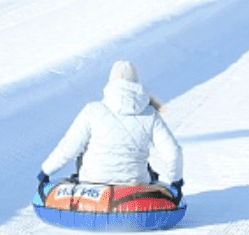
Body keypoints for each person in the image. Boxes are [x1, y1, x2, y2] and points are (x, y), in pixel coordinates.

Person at [42, 60, 183, 196]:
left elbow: (69, 147)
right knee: (146, 167)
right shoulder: (150, 114)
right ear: (136, 82)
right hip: (134, 184)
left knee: (83, 152)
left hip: (92, 181)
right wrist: (175, 181)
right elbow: (172, 151)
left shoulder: (92, 110)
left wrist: (45, 171)